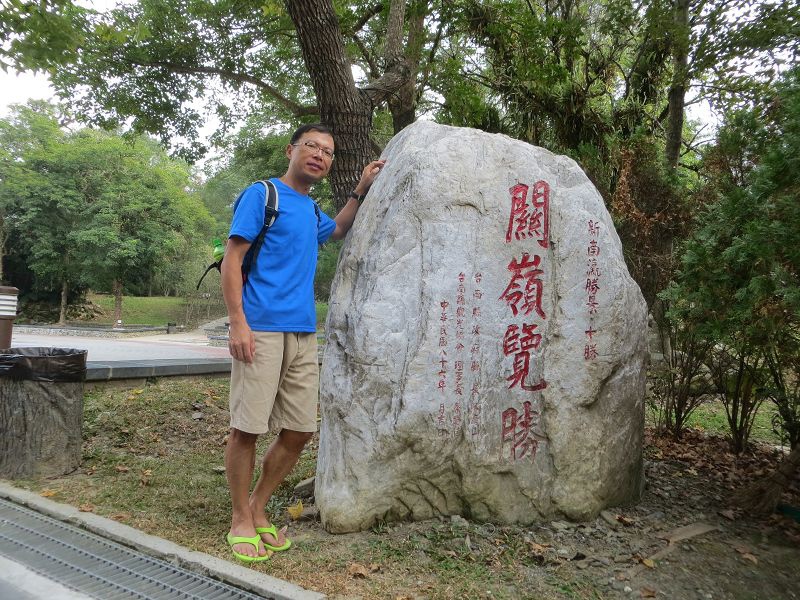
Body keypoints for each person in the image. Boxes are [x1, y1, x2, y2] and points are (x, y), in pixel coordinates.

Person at [221, 123, 385, 562]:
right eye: (311, 146)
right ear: (290, 150)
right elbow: (232, 258)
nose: (319, 155)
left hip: (302, 332)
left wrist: (361, 189)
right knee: (247, 428)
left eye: (327, 152)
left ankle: (258, 507)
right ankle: (240, 518)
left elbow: (338, 230)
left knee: (300, 429)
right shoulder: (263, 195)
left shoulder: (311, 211)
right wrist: (237, 323)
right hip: (260, 328)